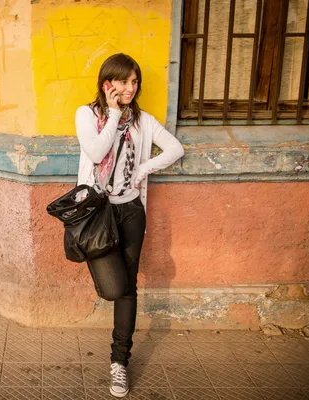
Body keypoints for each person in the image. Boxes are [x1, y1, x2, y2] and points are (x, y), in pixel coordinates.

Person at [75, 53, 184, 398]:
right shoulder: (86, 115)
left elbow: (175, 149)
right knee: (113, 288)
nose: (130, 88)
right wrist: (115, 115)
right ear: (107, 84)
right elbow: (95, 152)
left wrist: (142, 171)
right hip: (97, 213)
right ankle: (118, 355)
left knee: (128, 287)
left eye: (135, 82)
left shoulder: (145, 121)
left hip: (131, 212)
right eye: (123, 81)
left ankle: (119, 361)